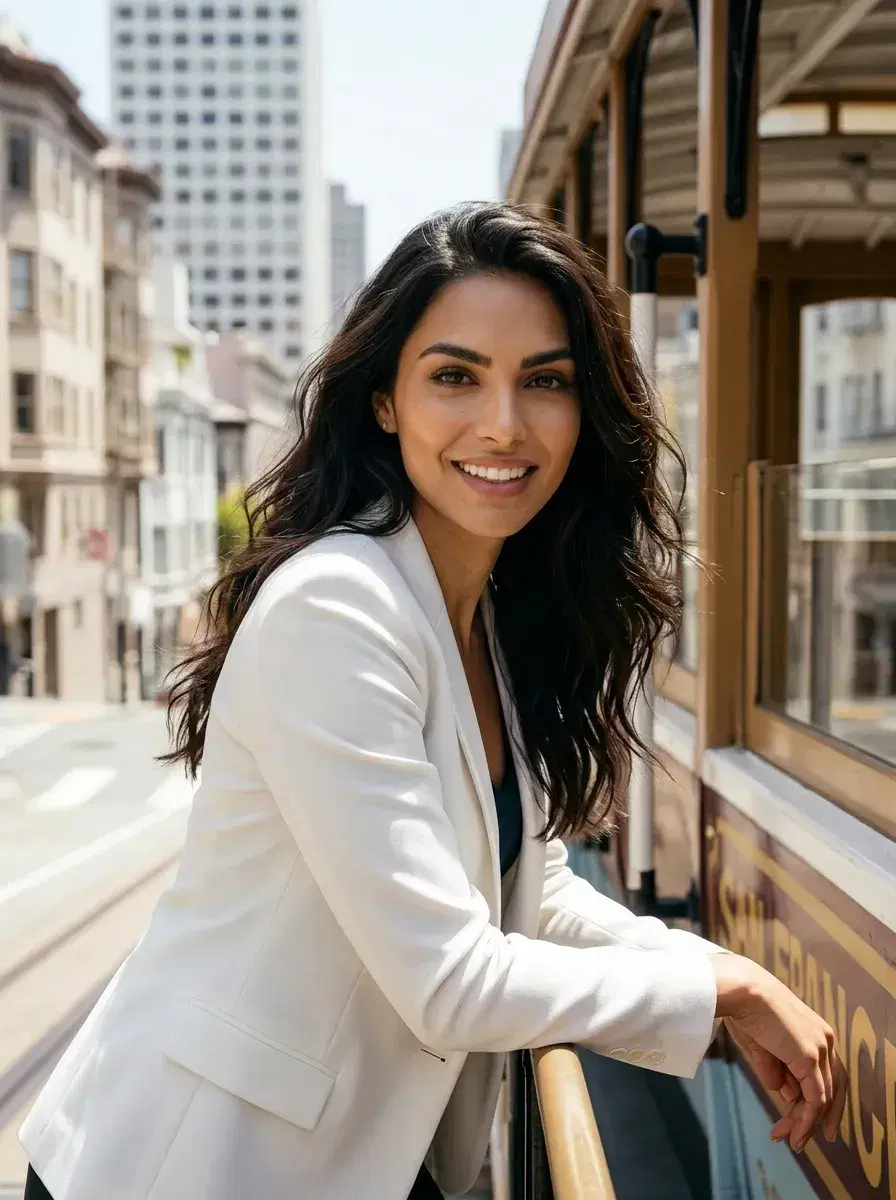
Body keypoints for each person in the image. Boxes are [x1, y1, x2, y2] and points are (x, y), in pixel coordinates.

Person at [20, 203, 847, 1200]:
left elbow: (526, 898)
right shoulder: (337, 608)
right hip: (193, 1166)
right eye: (455, 376)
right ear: (384, 400)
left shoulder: (479, 615)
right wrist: (724, 986)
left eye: (543, 382)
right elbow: (451, 982)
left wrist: (708, 979)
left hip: (355, 1160)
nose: (501, 423)